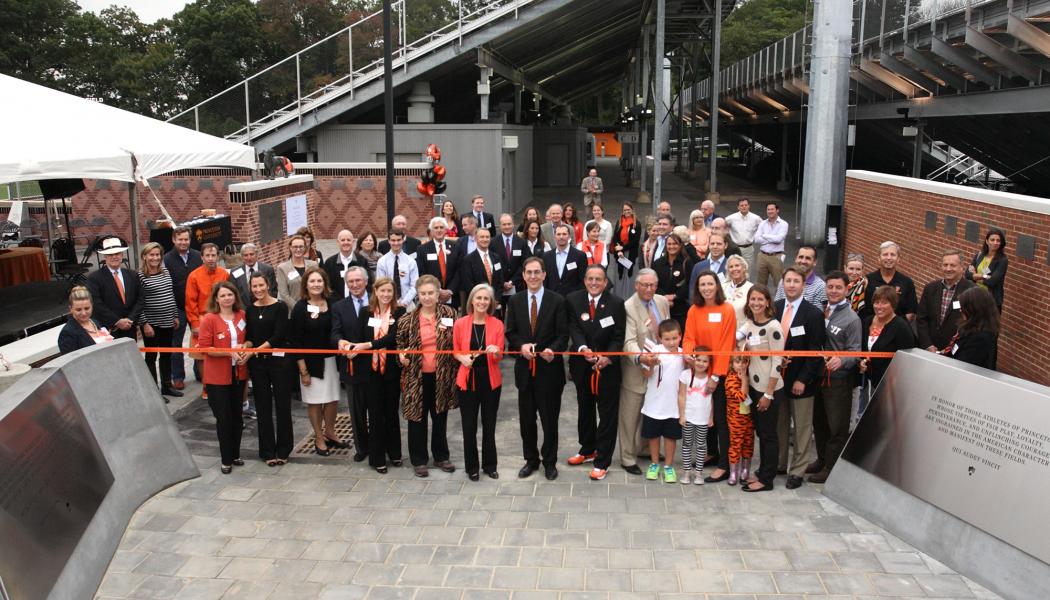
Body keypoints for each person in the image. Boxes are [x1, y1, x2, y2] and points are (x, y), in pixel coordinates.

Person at [505, 257, 569, 481]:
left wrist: (553, 350)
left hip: (549, 371)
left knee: (549, 420)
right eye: (528, 272)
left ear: (544, 275)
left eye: (537, 272)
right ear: (523, 275)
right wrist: (520, 346)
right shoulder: (515, 301)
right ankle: (530, 460)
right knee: (526, 420)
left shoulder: (558, 301)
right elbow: (510, 333)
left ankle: (549, 462)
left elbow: (563, 335)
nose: (532, 276)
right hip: (525, 371)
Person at [565, 265, 626, 480]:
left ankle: (603, 461)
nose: (594, 282)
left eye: (598, 279)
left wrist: (607, 357)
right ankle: (587, 449)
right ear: (584, 280)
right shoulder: (573, 300)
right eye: (590, 278)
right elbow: (574, 328)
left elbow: (619, 336)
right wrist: (583, 349)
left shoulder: (616, 303)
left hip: (607, 367)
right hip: (583, 365)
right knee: (585, 408)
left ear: (605, 282)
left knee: (607, 414)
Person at [397, 275, 458, 477]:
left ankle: (441, 456)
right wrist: (402, 357)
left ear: (438, 293)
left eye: (431, 293)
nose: (427, 297)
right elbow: (399, 348)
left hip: (441, 376)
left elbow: (457, 341)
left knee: (440, 416)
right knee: (417, 418)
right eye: (423, 293)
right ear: (418, 295)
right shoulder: (407, 320)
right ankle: (419, 459)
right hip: (416, 377)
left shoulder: (450, 314)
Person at [682, 270, 737, 483]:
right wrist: (688, 351)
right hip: (699, 371)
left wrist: (716, 376)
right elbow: (689, 337)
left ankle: (724, 464)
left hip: (718, 373)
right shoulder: (694, 310)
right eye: (702, 284)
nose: (706, 288)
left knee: (721, 419)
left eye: (710, 284)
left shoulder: (727, 310)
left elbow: (726, 344)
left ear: (717, 286)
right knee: (705, 415)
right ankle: (711, 452)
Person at [774, 267, 825, 489]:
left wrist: (802, 379)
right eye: (788, 281)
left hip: (801, 382)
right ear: (782, 284)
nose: (792, 285)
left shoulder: (813, 314)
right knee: (779, 424)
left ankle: (797, 470)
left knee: (802, 427)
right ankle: (779, 463)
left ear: (804, 285)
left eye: (796, 281)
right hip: (776, 379)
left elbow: (815, 352)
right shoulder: (774, 309)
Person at [809, 271, 861, 484]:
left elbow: (855, 352)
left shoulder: (852, 319)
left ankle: (831, 467)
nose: (833, 291)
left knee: (836, 426)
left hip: (838, 380)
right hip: (818, 377)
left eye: (838, 287)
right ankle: (821, 459)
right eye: (830, 287)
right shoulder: (821, 310)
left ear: (846, 289)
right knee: (819, 422)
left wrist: (843, 360)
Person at [288, 267, 345, 456]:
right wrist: (303, 370)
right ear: (306, 285)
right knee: (315, 402)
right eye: (312, 281)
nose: (316, 285)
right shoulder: (300, 307)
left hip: (332, 361)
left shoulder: (333, 301)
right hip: (311, 364)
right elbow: (295, 340)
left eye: (319, 281)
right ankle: (319, 437)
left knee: (332, 399)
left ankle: (330, 432)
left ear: (325, 283)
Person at [619, 269, 670, 474]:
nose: (649, 289)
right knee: (630, 415)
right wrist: (640, 357)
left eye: (652, 285)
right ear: (636, 285)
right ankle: (627, 457)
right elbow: (629, 341)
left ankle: (645, 448)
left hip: (659, 367)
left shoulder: (662, 302)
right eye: (644, 285)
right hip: (636, 368)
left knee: (652, 410)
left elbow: (667, 330)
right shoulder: (629, 307)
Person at [197, 281, 249, 474]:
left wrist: (245, 348)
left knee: (237, 416)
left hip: (239, 374)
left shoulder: (242, 316)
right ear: (216, 299)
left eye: (230, 294)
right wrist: (228, 353)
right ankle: (226, 458)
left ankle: (235, 454)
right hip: (217, 378)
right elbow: (204, 348)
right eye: (223, 295)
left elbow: (249, 338)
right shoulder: (210, 319)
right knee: (224, 418)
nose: (227, 298)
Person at [454, 283, 504, 481]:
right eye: (479, 298)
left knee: (489, 425)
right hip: (467, 379)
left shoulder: (497, 324)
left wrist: (496, 352)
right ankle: (471, 467)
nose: (482, 302)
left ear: (490, 302)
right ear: (472, 300)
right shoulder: (461, 323)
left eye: (486, 299)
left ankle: (490, 465)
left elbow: (500, 356)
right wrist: (462, 358)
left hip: (490, 380)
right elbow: (455, 350)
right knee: (469, 426)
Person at [738, 285, 785, 493]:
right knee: (761, 432)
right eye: (752, 299)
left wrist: (768, 393)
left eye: (760, 299)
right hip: (755, 386)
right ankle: (764, 469)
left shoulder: (773, 327)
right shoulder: (750, 324)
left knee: (768, 434)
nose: (756, 303)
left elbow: (777, 362)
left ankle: (767, 479)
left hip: (769, 388)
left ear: (767, 302)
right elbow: (738, 339)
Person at [357, 277, 406, 472]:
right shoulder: (365, 313)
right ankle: (377, 457)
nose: (386, 295)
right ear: (375, 292)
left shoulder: (400, 312)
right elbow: (360, 337)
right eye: (382, 291)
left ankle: (394, 453)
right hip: (371, 372)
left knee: (392, 413)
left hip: (391, 371)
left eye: (389, 291)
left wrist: (369, 345)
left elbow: (393, 337)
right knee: (375, 415)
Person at [244, 272, 293, 466]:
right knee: (263, 407)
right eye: (254, 286)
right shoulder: (249, 310)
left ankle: (284, 449)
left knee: (282, 406)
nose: (258, 290)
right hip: (257, 364)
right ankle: (267, 451)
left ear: (268, 285)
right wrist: (246, 347)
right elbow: (248, 335)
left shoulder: (280, 307)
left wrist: (257, 349)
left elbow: (278, 335)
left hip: (279, 363)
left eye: (261, 285)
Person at [331, 266, 371, 462]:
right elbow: (335, 332)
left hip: (374, 365)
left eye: (358, 280)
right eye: (351, 282)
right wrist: (340, 342)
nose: (355, 285)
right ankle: (361, 448)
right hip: (351, 365)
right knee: (356, 411)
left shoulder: (376, 301)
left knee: (377, 409)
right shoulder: (339, 306)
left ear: (366, 281)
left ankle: (379, 444)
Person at [640, 319, 685, 483]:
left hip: (673, 405)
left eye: (674, 338)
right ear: (660, 338)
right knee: (653, 436)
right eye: (667, 339)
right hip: (653, 403)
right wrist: (651, 364)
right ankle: (654, 463)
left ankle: (668, 466)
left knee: (670, 437)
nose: (671, 342)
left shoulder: (683, 355)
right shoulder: (654, 351)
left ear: (680, 336)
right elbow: (646, 375)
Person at [138, 242, 182, 399]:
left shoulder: (165, 272)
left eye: (157, 255)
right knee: (151, 357)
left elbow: (170, 295)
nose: (155, 258)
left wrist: (175, 315)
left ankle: (167, 386)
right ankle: (154, 391)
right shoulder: (141, 276)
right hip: (152, 324)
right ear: (145, 256)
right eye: (151, 255)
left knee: (166, 354)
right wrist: (145, 323)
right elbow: (139, 302)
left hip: (168, 322)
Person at [186, 243, 230, 395]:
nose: (211, 259)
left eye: (213, 255)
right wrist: (194, 323)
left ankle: (222, 384)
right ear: (202, 257)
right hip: (202, 318)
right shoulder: (194, 276)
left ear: (218, 256)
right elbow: (190, 302)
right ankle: (206, 388)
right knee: (201, 356)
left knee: (222, 353)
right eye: (207, 256)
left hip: (221, 317)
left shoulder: (224, 274)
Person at [860, 285, 916, 402]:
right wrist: (861, 361)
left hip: (888, 386)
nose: (879, 307)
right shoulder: (867, 321)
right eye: (876, 302)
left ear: (893, 304)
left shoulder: (901, 327)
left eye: (884, 303)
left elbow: (907, 359)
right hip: (867, 382)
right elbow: (863, 349)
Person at [164, 226, 203, 390]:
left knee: (199, 341)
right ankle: (178, 376)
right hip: (178, 308)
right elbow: (167, 286)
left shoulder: (197, 256)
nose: (183, 242)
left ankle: (199, 372)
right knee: (176, 344)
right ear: (174, 240)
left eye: (186, 239)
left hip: (196, 307)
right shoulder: (166, 259)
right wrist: (172, 311)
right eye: (180, 239)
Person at [916, 250, 975, 353]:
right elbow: (921, 319)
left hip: (956, 353)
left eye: (952, 265)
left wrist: (950, 348)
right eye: (945, 265)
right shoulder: (930, 288)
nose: (948, 269)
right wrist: (928, 345)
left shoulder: (972, 291)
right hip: (929, 350)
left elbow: (973, 323)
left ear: (962, 267)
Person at [86, 236, 143, 340]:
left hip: (130, 328)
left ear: (122, 255)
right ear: (105, 256)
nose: (114, 257)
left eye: (117, 254)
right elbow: (96, 303)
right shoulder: (94, 278)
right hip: (108, 330)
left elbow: (140, 299)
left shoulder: (133, 275)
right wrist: (117, 321)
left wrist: (131, 320)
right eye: (110, 254)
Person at [677, 348, 714, 485]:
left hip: (703, 419)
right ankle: (686, 471)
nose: (701, 363)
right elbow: (681, 395)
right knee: (687, 444)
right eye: (698, 359)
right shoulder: (685, 375)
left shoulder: (710, 378)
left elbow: (711, 400)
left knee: (700, 445)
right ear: (693, 359)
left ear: (710, 363)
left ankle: (699, 473)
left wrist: (711, 417)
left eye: (705, 361)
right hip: (688, 417)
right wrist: (681, 415)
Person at [943, 286, 999, 369]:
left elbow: (963, 366)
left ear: (974, 309)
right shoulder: (968, 327)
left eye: (964, 307)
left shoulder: (981, 339)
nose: (960, 310)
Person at [860, 241, 918, 321]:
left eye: (893, 255)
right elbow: (862, 310)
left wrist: (894, 326)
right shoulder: (867, 281)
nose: (889, 258)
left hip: (898, 330)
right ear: (879, 258)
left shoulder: (907, 282)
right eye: (885, 254)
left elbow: (910, 313)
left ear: (898, 259)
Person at [456, 228, 505, 312]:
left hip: (495, 304)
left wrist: (496, 299)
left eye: (487, 237)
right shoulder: (468, 260)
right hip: (478, 305)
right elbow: (468, 283)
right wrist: (482, 299)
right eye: (482, 237)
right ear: (475, 239)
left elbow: (500, 280)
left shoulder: (496, 257)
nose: (485, 239)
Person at [724, 354, 754, 486]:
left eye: (744, 362)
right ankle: (733, 473)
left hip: (748, 417)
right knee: (735, 444)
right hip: (736, 418)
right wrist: (745, 381)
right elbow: (742, 397)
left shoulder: (746, 376)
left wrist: (745, 379)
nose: (741, 365)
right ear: (731, 363)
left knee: (748, 443)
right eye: (737, 362)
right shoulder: (730, 379)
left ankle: (745, 470)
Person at [653, 233, 692, 330]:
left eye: (675, 244)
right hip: (661, 306)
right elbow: (654, 283)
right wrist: (664, 298)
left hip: (681, 309)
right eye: (669, 244)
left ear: (680, 245)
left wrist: (675, 296)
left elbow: (689, 283)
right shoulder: (658, 263)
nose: (672, 246)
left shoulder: (687, 262)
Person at [58, 285, 114, 353]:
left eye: (87, 308)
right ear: (71, 309)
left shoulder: (96, 322)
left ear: (92, 306)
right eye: (78, 310)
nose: (84, 313)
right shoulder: (67, 333)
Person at [417, 217, 458, 308]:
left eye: (441, 227)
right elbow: (422, 272)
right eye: (436, 228)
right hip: (431, 294)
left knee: (450, 321)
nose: (439, 230)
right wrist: (437, 290)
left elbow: (459, 270)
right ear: (431, 231)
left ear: (446, 230)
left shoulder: (455, 246)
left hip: (451, 295)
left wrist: (450, 290)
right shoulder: (422, 249)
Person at [376, 230, 420, 309]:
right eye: (393, 240)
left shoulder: (411, 261)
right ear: (389, 241)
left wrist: (404, 302)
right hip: (387, 303)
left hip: (408, 304)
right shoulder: (382, 261)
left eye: (398, 240)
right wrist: (389, 301)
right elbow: (380, 285)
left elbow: (415, 285)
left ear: (403, 240)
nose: (396, 243)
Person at [323, 230, 372, 300]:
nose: (346, 242)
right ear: (338, 242)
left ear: (353, 242)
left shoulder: (362, 261)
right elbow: (327, 286)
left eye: (348, 240)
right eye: (343, 240)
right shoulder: (329, 263)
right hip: (336, 305)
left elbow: (368, 283)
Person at [967, 228, 1008, 312]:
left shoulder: (1002, 260)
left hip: (991, 300)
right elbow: (967, 274)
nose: (995, 243)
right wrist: (984, 276)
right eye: (992, 240)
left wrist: (975, 276)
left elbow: (992, 281)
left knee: (988, 324)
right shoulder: (979, 255)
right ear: (987, 241)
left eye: (998, 240)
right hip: (975, 296)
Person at [543, 224, 588, 296]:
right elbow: (545, 279)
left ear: (569, 236)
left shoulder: (580, 256)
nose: (561, 237)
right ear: (554, 236)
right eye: (558, 234)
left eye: (564, 234)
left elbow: (583, 280)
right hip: (552, 298)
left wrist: (576, 296)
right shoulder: (546, 256)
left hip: (572, 299)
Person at [276, 235, 318, 309]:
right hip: (293, 312)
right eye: (295, 247)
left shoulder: (313, 265)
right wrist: (299, 308)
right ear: (290, 248)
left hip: (313, 309)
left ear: (305, 247)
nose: (298, 249)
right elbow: (284, 294)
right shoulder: (282, 268)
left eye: (301, 246)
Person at [754, 202, 788, 287]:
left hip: (776, 257)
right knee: (760, 284)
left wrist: (765, 236)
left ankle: (779, 300)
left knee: (779, 283)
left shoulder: (784, 224)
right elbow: (756, 239)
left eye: (772, 209)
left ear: (777, 210)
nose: (770, 211)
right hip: (762, 256)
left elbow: (779, 239)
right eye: (768, 209)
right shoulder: (762, 223)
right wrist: (773, 238)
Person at [493, 213, 527, 300]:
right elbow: (492, 263)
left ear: (513, 225)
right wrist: (502, 282)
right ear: (500, 226)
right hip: (498, 286)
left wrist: (512, 281)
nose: (507, 226)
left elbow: (524, 264)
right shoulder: (493, 243)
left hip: (517, 285)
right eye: (504, 224)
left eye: (509, 224)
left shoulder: (521, 242)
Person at [688, 233, 729, 303]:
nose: (715, 246)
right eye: (712, 244)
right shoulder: (698, 267)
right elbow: (692, 291)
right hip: (702, 308)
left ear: (725, 245)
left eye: (719, 244)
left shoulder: (731, 267)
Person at [611, 202, 641, 296]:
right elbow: (615, 237)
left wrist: (623, 248)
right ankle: (618, 296)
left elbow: (636, 241)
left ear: (632, 210)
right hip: (620, 254)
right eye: (625, 210)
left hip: (630, 253)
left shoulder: (637, 224)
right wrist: (619, 250)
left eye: (628, 209)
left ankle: (628, 296)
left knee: (629, 275)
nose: (626, 211)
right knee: (620, 275)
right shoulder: (619, 222)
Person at [725, 197, 762, 270]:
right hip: (735, 248)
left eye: (746, 205)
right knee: (733, 270)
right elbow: (721, 225)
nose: (744, 207)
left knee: (747, 271)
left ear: (749, 206)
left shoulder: (756, 218)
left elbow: (764, 227)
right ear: (738, 207)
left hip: (748, 249)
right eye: (741, 205)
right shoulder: (731, 218)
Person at [722, 255, 753, 326]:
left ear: (744, 268)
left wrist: (742, 333)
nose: (734, 269)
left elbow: (754, 316)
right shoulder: (722, 286)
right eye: (731, 267)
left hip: (741, 331)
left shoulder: (751, 288)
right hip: (723, 328)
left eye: (737, 265)